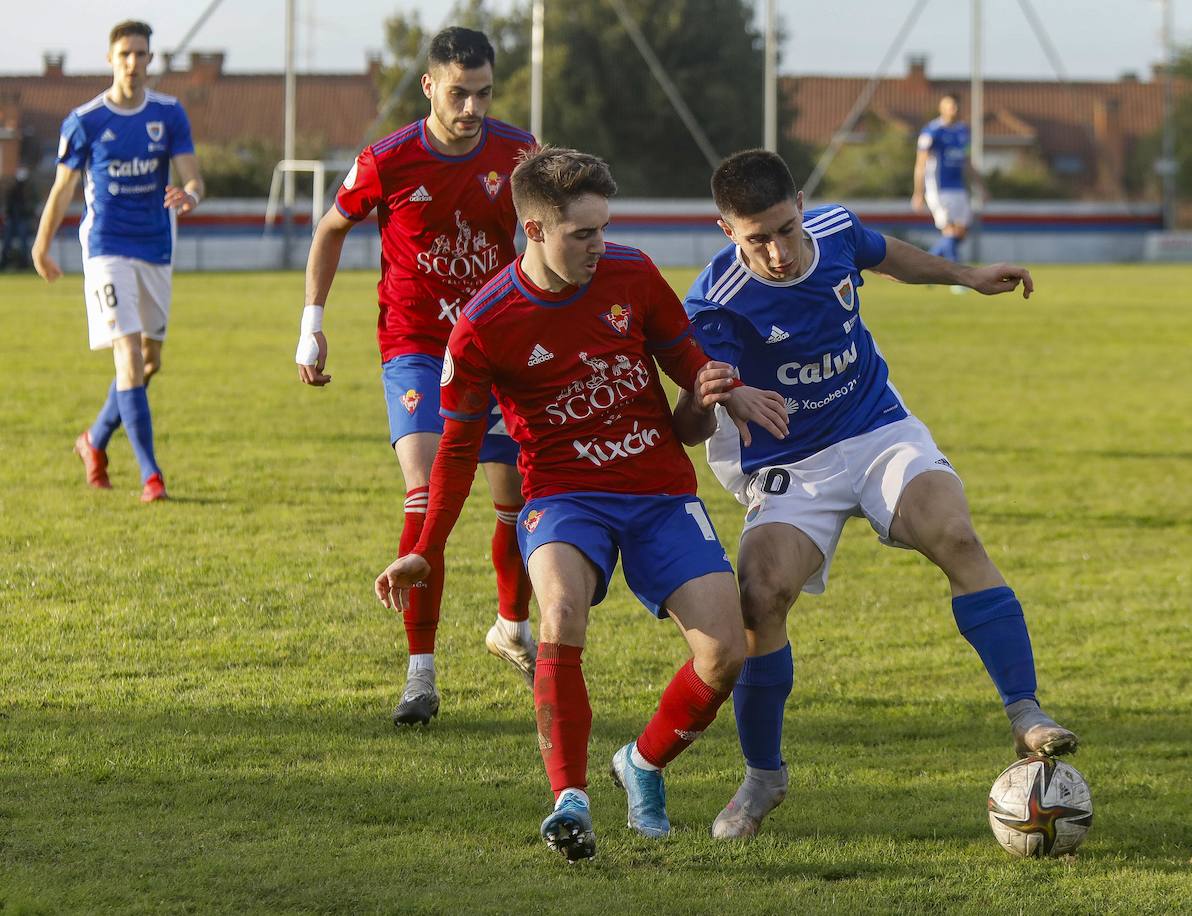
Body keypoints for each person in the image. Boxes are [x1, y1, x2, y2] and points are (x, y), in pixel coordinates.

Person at [374, 146, 790, 861]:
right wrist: (425, 548)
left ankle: (643, 762)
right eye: (584, 234)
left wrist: (715, 382)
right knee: (560, 614)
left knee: (724, 655)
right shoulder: (484, 323)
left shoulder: (631, 271)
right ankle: (569, 800)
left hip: (659, 491)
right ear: (534, 231)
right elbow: (457, 450)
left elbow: (681, 350)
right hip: (564, 498)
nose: (602, 246)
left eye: (603, 228)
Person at [682, 149, 1077, 840]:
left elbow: (885, 253)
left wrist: (964, 273)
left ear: (801, 204)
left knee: (955, 534)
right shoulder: (715, 303)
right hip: (791, 463)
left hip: (876, 427)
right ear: (726, 232)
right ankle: (763, 777)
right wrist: (720, 393)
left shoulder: (833, 230)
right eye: (756, 239)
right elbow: (690, 417)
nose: (776, 251)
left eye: (784, 228)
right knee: (760, 596)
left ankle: (1026, 713)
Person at [298, 27, 538, 724]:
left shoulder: (518, 152)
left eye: (483, 94)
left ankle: (510, 628)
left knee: (515, 499)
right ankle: (420, 675)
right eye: (458, 93)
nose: (472, 108)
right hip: (417, 345)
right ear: (429, 86)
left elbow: (549, 227)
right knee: (426, 490)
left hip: (494, 343)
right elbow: (331, 228)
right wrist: (312, 321)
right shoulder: (388, 157)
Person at [31, 19, 203, 502]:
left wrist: (189, 195)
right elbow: (63, 188)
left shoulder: (169, 115)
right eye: (125, 53)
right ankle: (152, 476)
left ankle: (94, 440)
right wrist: (41, 246)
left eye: (141, 54)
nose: (133, 62)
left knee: (148, 362)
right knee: (126, 356)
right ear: (111, 58)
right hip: (106, 248)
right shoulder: (85, 120)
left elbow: (194, 178)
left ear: (151, 59)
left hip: (155, 247)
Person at [912, 93, 984, 267]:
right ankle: (958, 279)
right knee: (949, 231)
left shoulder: (962, 131)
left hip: (958, 188)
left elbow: (967, 161)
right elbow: (920, 163)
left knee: (960, 233)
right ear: (941, 108)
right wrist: (918, 192)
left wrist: (981, 186)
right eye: (950, 106)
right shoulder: (932, 131)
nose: (954, 109)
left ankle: (925, 266)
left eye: (956, 106)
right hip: (938, 187)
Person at [2, 167, 36, 270]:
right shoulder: (12, 191)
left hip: (22, 219)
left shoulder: (28, 191)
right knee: (8, 241)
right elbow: (8, 205)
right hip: (13, 219)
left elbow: (32, 206)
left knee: (23, 242)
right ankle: (4, 261)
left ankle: (24, 263)